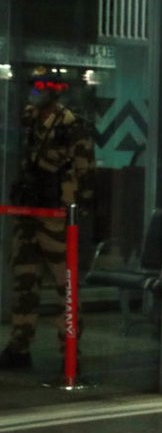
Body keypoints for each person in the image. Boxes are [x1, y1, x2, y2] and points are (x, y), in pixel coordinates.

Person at [1, 67, 94, 369]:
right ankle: (19, 345)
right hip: (30, 213)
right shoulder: (29, 120)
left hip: (58, 216)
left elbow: (84, 171)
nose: (33, 92)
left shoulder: (71, 125)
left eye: (40, 87)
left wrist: (76, 211)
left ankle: (70, 353)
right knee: (24, 280)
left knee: (65, 286)